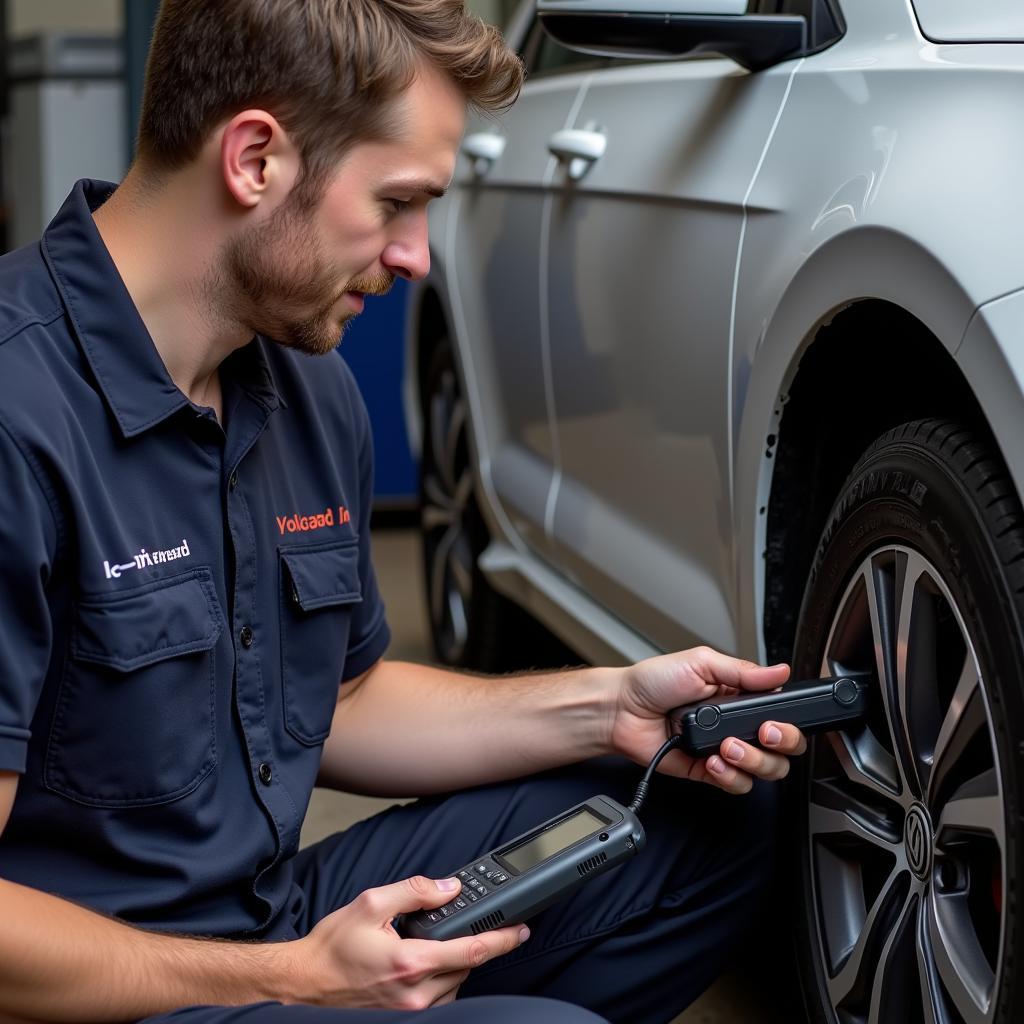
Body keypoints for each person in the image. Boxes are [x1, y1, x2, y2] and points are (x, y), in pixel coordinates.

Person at [0, 2, 807, 1021]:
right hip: (93, 987)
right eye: (397, 202)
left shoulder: (300, 382)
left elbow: (335, 701)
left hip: (267, 919)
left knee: (708, 821)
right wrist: (286, 981)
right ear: (255, 160)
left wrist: (610, 708)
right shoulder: (17, 414)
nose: (418, 256)